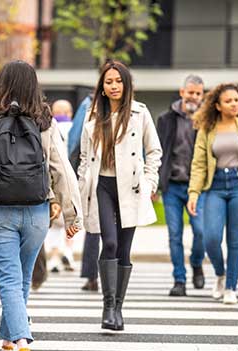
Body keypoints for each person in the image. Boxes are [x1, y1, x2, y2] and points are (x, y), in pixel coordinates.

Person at [0, 60, 82, 351]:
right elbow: (61, 168)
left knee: (9, 280)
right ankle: (7, 341)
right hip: (36, 210)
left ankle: (22, 342)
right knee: (20, 278)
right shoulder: (44, 120)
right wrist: (71, 214)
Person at [78, 60, 162, 330]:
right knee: (110, 243)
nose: (114, 86)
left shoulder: (140, 113)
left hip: (132, 188)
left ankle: (118, 309)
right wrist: (82, 189)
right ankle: (107, 306)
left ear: (127, 85)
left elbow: (154, 151)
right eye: (108, 82)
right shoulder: (92, 117)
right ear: (102, 87)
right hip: (102, 185)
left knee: (124, 249)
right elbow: (83, 158)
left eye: (118, 81)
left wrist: (149, 182)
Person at [187, 83, 238, 305]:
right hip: (216, 186)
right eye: (229, 101)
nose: (235, 104)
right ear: (218, 106)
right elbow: (199, 164)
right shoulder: (207, 129)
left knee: (235, 239)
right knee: (210, 237)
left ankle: (231, 287)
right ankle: (220, 273)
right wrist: (193, 193)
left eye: (237, 100)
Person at [156, 74, 206, 296]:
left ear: (202, 96)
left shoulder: (206, 120)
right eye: (190, 92)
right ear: (182, 92)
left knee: (201, 232)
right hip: (172, 186)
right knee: (174, 234)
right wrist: (155, 184)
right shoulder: (166, 119)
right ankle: (179, 280)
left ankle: (196, 263)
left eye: (198, 93)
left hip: (198, 187)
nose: (193, 97)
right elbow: (157, 152)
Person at [70, 95, 101, 291]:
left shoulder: (135, 110)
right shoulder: (88, 105)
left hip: (124, 179)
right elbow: (76, 140)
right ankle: (92, 275)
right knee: (93, 226)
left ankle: (105, 274)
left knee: (112, 232)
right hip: (93, 174)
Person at [47, 99, 77, 272]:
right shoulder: (75, 129)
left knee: (53, 223)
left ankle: (54, 258)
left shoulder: (50, 129)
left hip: (53, 181)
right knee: (71, 221)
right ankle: (68, 252)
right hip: (71, 182)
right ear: (70, 113)